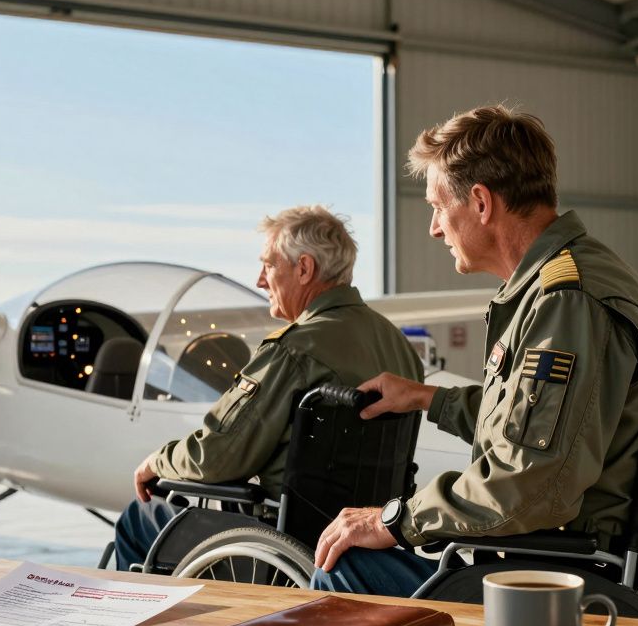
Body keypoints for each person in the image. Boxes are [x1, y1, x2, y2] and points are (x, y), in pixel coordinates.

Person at [311, 105, 638, 595]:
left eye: (436, 207)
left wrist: (396, 518)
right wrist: (426, 398)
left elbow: (526, 485)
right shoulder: (580, 274)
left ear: (481, 203)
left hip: (554, 576)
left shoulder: (564, 301)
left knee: (344, 560)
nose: (434, 228)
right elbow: (536, 429)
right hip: (577, 555)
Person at [114, 205, 424, 570]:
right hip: (368, 541)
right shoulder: (401, 349)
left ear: (304, 269)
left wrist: (157, 460)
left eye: (269, 265)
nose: (261, 280)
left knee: (139, 517)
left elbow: (217, 456)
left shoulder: (293, 349)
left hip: (287, 543)